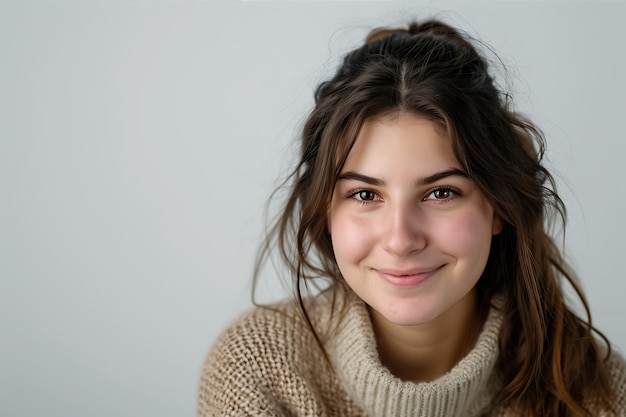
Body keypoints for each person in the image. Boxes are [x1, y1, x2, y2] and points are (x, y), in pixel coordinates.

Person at [198, 20, 626, 417]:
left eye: (441, 193)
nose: (401, 239)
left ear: (499, 207)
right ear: (326, 211)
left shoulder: (599, 390)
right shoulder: (257, 366)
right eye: (365, 194)